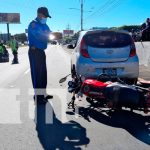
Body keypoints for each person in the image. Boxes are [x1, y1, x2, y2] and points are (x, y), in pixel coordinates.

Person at [28, 7, 53, 104]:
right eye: (45, 16)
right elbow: (40, 36)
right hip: (35, 52)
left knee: (43, 74)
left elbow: (49, 33)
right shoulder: (33, 24)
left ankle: (43, 94)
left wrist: (52, 35)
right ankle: (38, 98)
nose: (45, 18)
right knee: (37, 75)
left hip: (41, 51)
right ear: (39, 14)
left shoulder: (44, 25)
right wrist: (50, 35)